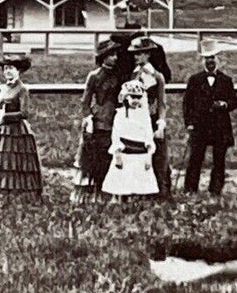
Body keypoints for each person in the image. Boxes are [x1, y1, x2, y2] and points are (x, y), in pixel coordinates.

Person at [181, 39, 237, 194]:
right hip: (200, 126)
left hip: (220, 126)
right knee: (195, 159)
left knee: (219, 160)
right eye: (207, 58)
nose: (210, 61)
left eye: (212, 58)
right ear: (202, 61)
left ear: (218, 59)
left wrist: (225, 104)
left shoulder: (226, 80)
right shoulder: (195, 80)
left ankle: (215, 190)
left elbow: (235, 101)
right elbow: (187, 104)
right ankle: (190, 189)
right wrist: (189, 123)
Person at [0, 55, 43, 200]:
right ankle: (0, 193)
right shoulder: (3, 88)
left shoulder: (22, 89)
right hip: (2, 130)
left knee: (17, 162)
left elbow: (24, 113)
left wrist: (6, 117)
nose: (7, 71)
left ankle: (19, 194)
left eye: (11, 68)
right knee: (0, 161)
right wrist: (0, 118)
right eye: (5, 69)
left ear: (18, 71)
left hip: (16, 130)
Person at [73, 38, 122, 200]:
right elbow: (85, 101)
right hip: (99, 118)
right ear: (104, 57)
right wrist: (88, 118)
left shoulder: (119, 75)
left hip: (115, 118)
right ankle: (96, 190)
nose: (115, 58)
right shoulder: (94, 76)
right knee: (96, 155)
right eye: (111, 55)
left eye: (115, 55)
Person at [102, 78, 160, 203]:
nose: (135, 100)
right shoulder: (121, 114)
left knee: (140, 182)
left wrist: (149, 155)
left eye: (138, 97)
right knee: (122, 181)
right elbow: (116, 134)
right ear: (126, 97)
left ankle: (137, 205)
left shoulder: (144, 116)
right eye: (132, 97)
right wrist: (117, 154)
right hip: (125, 152)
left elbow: (148, 135)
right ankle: (120, 202)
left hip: (141, 153)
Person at [128, 35, 171, 195]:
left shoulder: (157, 76)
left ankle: (161, 191)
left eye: (139, 54)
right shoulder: (133, 75)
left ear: (148, 55)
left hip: (151, 119)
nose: (136, 57)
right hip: (137, 120)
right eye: (135, 54)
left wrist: (161, 122)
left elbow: (161, 103)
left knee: (158, 156)